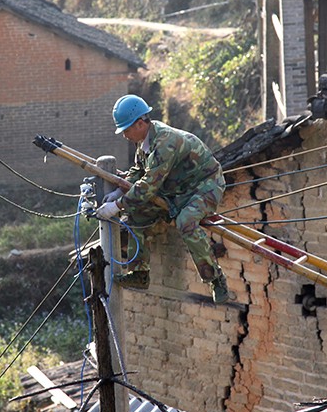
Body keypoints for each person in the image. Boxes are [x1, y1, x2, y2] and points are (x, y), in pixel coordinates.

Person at [95, 94, 230, 303]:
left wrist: (117, 205)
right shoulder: (145, 142)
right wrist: (119, 192)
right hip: (176, 190)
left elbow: (148, 186)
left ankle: (215, 279)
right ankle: (139, 273)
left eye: (126, 130)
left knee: (186, 222)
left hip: (204, 186)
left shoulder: (165, 143)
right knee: (136, 213)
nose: (124, 136)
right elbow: (138, 171)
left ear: (140, 123)